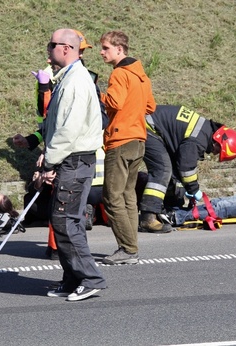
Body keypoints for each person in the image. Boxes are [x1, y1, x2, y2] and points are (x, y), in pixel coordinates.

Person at [40, 28, 106, 301]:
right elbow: (55, 123)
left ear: (66, 48)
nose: (48, 49)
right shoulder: (68, 78)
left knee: (66, 221)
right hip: (71, 160)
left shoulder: (76, 81)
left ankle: (90, 278)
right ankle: (72, 278)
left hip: (75, 161)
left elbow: (68, 129)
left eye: (51, 44)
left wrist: (50, 162)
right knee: (64, 220)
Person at [99, 31, 156, 265]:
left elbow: (114, 102)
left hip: (121, 141)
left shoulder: (119, 73)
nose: (102, 52)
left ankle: (128, 249)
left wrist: (96, 94)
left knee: (112, 197)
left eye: (106, 48)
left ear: (119, 50)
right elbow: (150, 106)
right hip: (138, 140)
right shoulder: (141, 75)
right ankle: (131, 246)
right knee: (127, 195)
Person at [139, 105, 236, 232]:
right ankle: (148, 218)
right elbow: (185, 167)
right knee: (163, 170)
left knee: (171, 173)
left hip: (149, 127)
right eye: (218, 150)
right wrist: (194, 189)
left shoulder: (204, 131)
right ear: (218, 140)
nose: (214, 153)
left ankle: (167, 208)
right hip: (144, 127)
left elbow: (179, 166)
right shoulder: (200, 139)